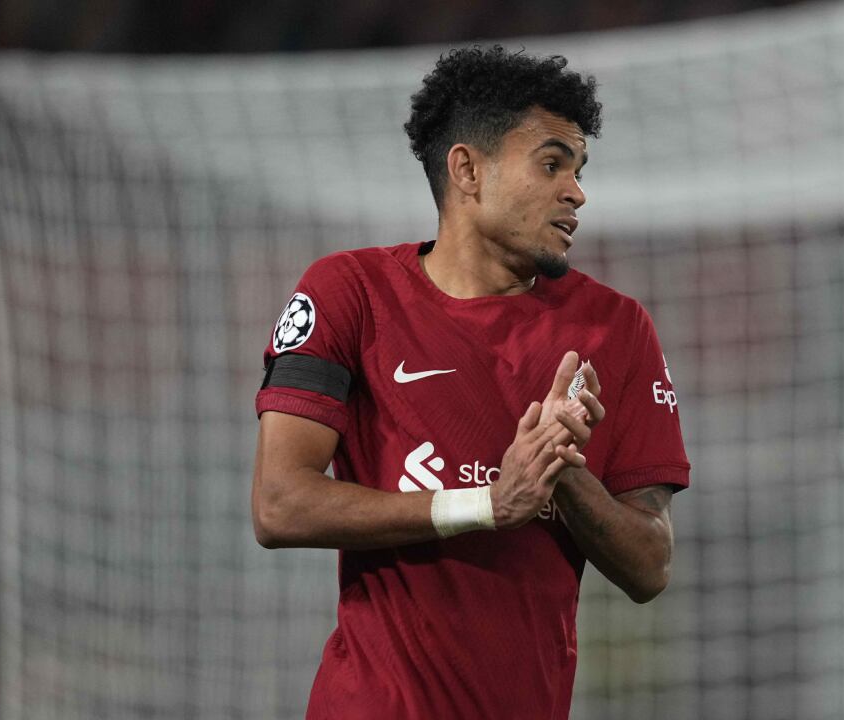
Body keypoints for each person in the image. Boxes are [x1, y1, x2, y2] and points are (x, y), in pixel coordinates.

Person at [251, 45, 690, 719]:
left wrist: (563, 472)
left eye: (579, 168)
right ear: (467, 170)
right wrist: (487, 502)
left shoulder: (616, 329)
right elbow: (279, 504)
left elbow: (650, 566)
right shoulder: (349, 293)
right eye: (552, 163)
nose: (577, 191)